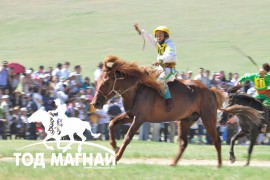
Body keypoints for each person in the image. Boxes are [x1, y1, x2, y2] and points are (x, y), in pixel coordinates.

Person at [133, 24, 177, 112]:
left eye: (160, 35)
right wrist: (140, 31)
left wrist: (160, 60)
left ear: (166, 36)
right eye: (157, 36)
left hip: (169, 71)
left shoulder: (170, 45)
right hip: (160, 69)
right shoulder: (159, 44)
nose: (158, 37)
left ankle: (169, 101)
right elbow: (149, 38)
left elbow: (169, 54)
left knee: (160, 81)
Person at [237, 64, 270, 132]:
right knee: (250, 104)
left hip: (266, 96)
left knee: (265, 106)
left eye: (265, 71)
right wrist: (239, 81)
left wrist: (264, 75)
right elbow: (246, 77)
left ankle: (264, 124)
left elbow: (266, 77)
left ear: (266, 72)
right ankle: (246, 122)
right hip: (257, 95)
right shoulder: (255, 76)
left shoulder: (267, 77)